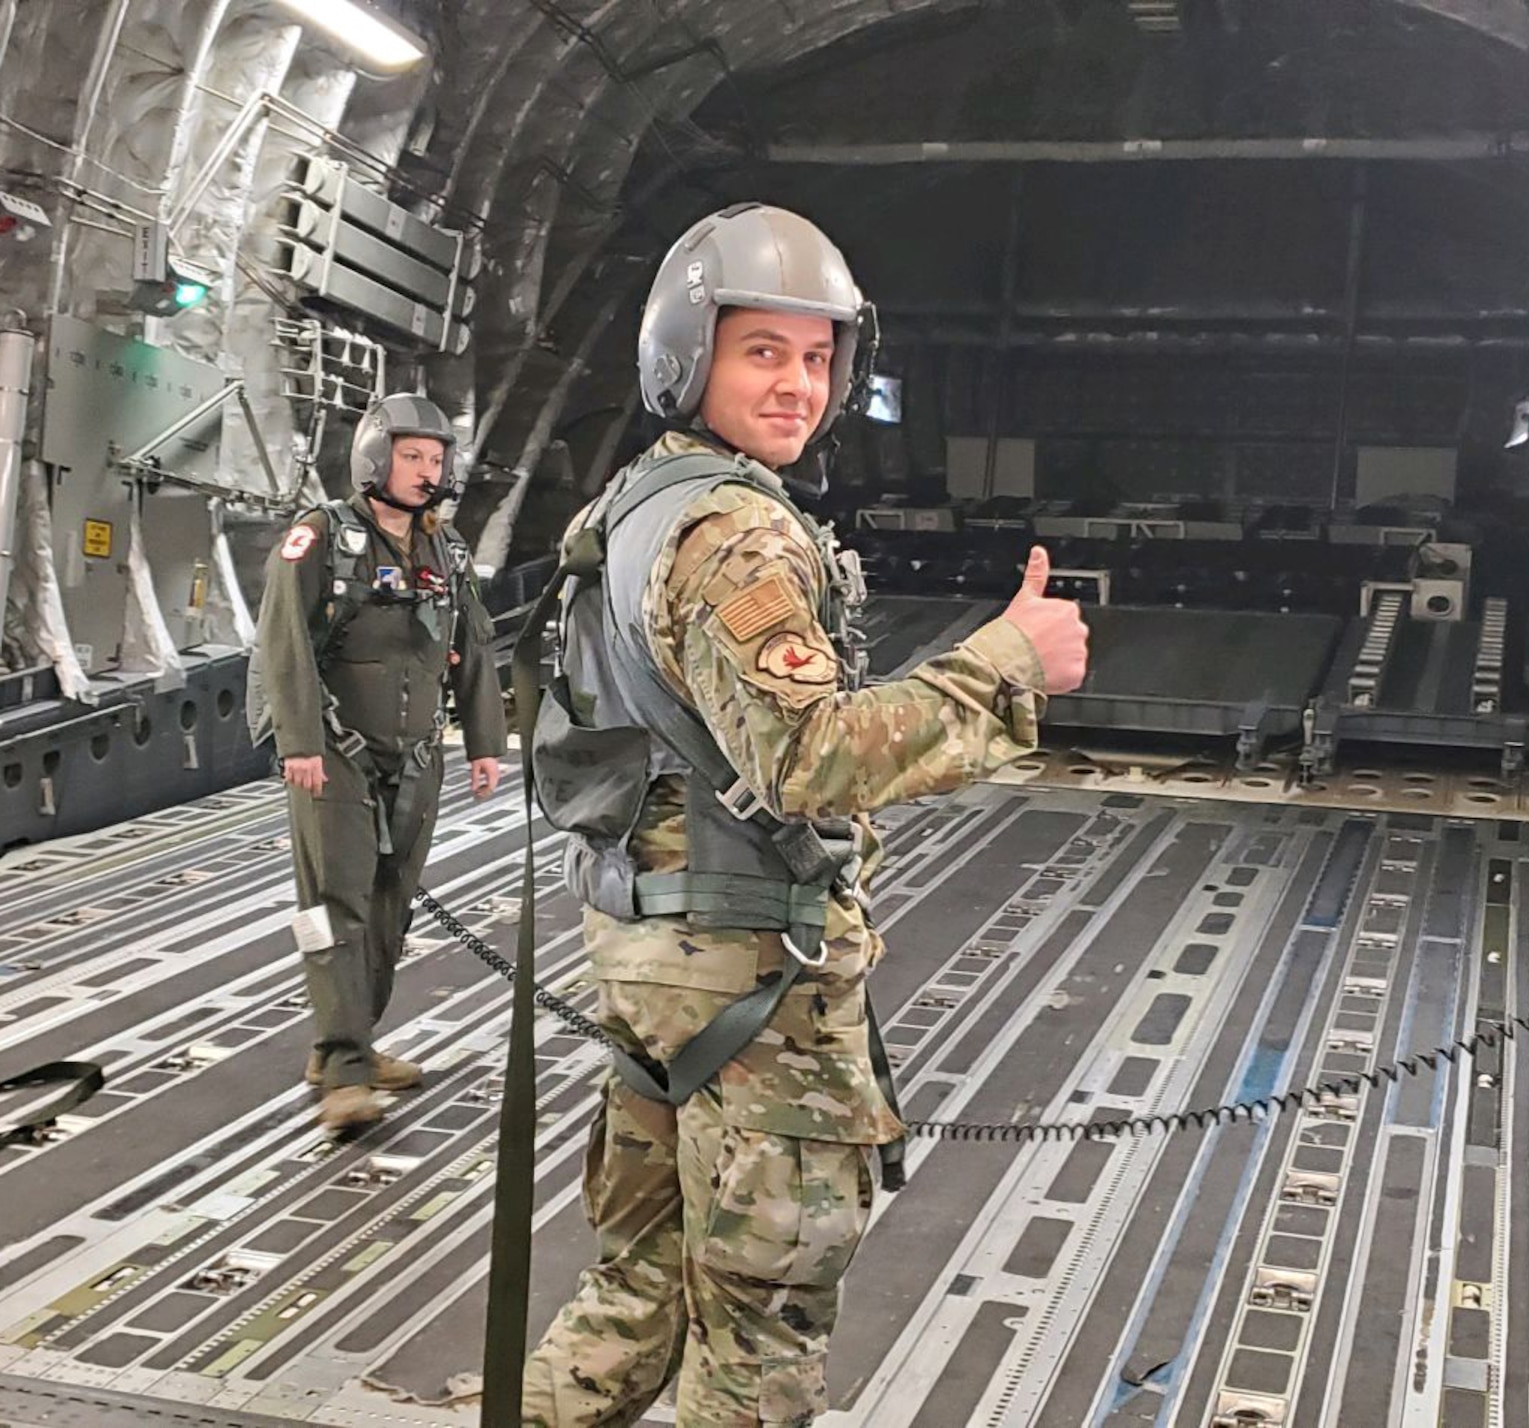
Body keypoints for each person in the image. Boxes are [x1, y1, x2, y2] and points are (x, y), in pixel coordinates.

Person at [519, 203, 1089, 1426]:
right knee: (762, 1325)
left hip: (647, 949)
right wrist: (1007, 661)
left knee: (637, 1289)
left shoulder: (635, 505)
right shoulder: (734, 534)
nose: (796, 384)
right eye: (761, 351)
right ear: (689, 357)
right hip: (745, 970)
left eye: (817, 357)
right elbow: (809, 760)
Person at [249, 393, 507, 1133]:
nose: (427, 471)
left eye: (436, 459)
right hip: (336, 754)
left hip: (418, 756)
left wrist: (485, 743)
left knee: (390, 906)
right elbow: (283, 641)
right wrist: (299, 742)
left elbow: (472, 645)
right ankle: (343, 1068)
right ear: (375, 458)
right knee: (337, 907)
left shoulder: (445, 550)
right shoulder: (319, 537)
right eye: (412, 456)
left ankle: (350, 1043)